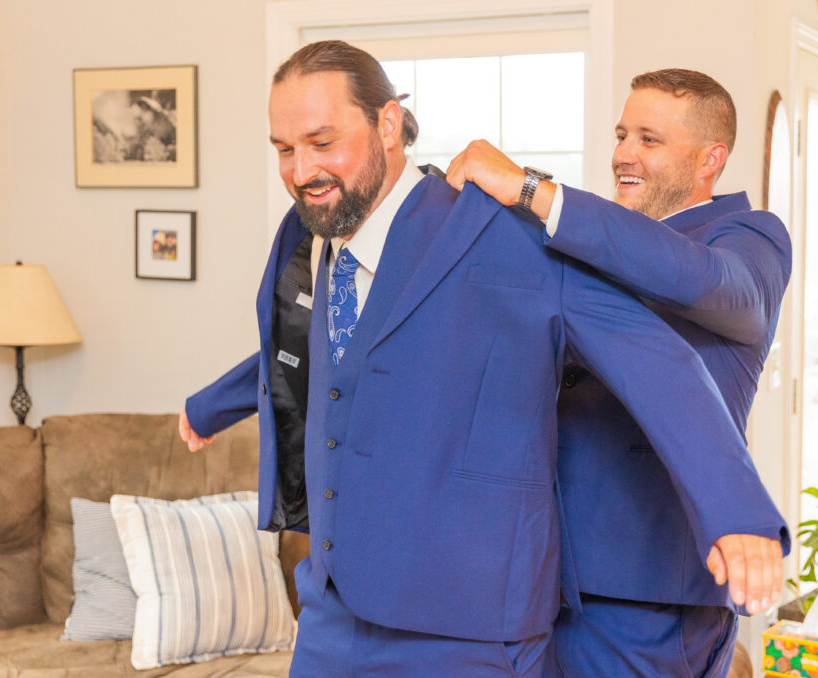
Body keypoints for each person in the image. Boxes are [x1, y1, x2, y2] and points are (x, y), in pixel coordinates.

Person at [179, 42, 786, 677]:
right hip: (378, 599)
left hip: (582, 597)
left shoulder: (541, 234)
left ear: (387, 125)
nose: (300, 169)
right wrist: (212, 405)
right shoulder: (314, 237)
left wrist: (738, 512)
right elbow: (315, 345)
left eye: (322, 141)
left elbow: (666, 354)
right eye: (283, 149)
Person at [447, 68, 792, 677]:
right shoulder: (587, 242)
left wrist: (528, 188)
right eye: (621, 134)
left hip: (652, 593)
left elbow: (694, 278)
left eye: (648, 140)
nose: (622, 154)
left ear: (710, 158)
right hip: (541, 578)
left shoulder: (748, 240)